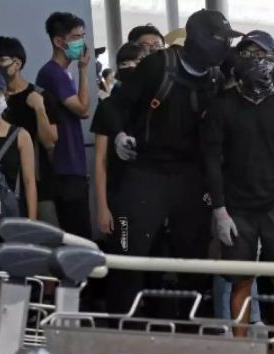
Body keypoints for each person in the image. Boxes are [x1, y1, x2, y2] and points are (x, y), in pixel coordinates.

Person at [107, 9, 242, 316]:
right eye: (220, 39)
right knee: (127, 254)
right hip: (145, 172)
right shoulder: (158, 65)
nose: (224, 46)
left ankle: (185, 327)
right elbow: (116, 104)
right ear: (197, 39)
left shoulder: (214, 78)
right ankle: (121, 329)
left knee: (192, 258)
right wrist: (118, 134)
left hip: (190, 177)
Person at [203, 31, 274, 341]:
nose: (256, 63)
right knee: (241, 281)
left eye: (263, 56)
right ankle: (240, 349)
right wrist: (220, 210)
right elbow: (211, 161)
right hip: (238, 206)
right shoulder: (222, 105)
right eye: (248, 56)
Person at [0, 36, 59, 225]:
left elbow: (50, 142)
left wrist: (39, 109)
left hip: (37, 182)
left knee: (43, 241)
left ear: (17, 63)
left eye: (0, 60)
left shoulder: (39, 96)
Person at [36, 11, 92, 238]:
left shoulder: (60, 74)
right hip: (65, 166)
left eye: (82, 36)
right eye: (76, 37)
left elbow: (81, 110)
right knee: (78, 236)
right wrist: (83, 70)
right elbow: (83, 108)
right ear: (59, 41)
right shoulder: (53, 73)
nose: (82, 42)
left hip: (71, 164)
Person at [92, 43, 144, 238]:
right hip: (120, 195)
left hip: (154, 195)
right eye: (124, 63)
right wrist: (102, 207)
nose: (130, 66)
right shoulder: (108, 107)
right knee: (124, 256)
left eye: (137, 62)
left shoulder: (158, 105)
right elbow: (100, 160)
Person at [0, 68, 38, 253]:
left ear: (5, 95)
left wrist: (31, 223)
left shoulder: (20, 135)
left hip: (11, 221)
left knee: (10, 277)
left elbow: (29, 181)